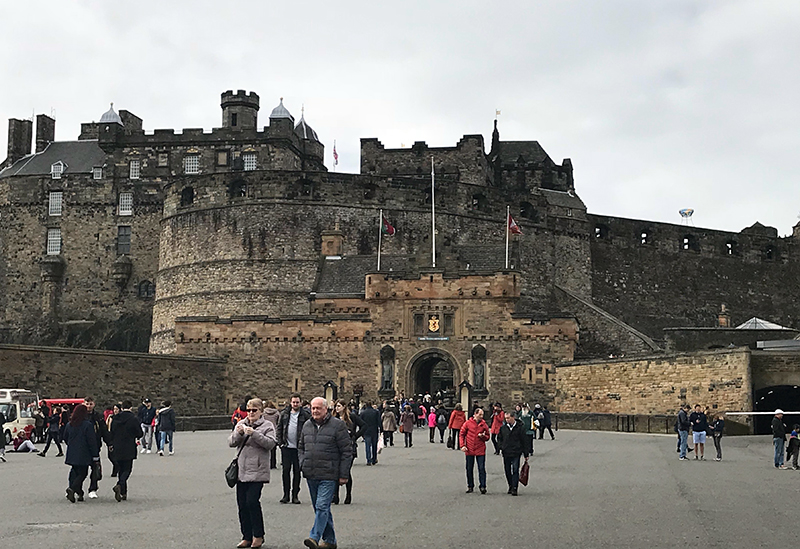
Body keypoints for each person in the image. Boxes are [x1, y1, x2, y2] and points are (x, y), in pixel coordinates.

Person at [298, 397, 352, 549]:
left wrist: (344, 474)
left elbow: (346, 451)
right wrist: (302, 462)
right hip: (311, 472)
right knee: (320, 508)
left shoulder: (338, 425)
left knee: (322, 506)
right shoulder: (307, 425)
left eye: (318, 408)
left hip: (329, 473)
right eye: (313, 408)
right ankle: (330, 540)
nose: (315, 411)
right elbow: (301, 446)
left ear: (326, 409)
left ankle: (314, 537)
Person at [229, 398, 277, 549]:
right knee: (242, 504)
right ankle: (246, 536)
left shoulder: (267, 425)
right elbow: (231, 442)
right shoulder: (241, 423)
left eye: (254, 410)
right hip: (242, 470)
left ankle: (258, 535)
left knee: (252, 502)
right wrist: (238, 433)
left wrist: (254, 433)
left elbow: (270, 443)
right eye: (249, 410)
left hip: (257, 470)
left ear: (260, 411)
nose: (251, 413)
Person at [277, 393, 311, 504]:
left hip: (299, 448)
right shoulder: (284, 414)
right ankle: (286, 494)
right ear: (290, 402)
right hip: (286, 447)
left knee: (297, 472)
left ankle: (295, 495)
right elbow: (279, 429)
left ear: (300, 403)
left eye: (297, 402)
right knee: (285, 471)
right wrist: (280, 443)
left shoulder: (305, 415)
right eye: (293, 402)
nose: (295, 404)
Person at [63, 404, 100, 503]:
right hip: (84, 452)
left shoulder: (69, 424)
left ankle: (78, 492)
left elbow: (65, 437)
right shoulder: (87, 425)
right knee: (83, 473)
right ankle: (73, 488)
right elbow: (91, 441)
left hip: (72, 451)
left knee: (74, 472)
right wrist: (95, 454)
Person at [109, 400, 143, 502]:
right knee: (127, 469)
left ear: (122, 408)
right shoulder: (133, 419)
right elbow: (139, 433)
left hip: (117, 446)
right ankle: (120, 485)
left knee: (120, 469)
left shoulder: (115, 418)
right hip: (128, 445)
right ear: (131, 407)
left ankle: (123, 492)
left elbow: (111, 432)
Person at [332, 399, 364, 504]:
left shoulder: (352, 417)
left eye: (339, 406)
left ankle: (348, 494)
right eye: (336, 406)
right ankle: (335, 495)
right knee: (335, 471)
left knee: (346, 471)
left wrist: (355, 436)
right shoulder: (333, 418)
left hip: (349, 447)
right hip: (336, 448)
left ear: (344, 407)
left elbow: (364, 426)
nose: (337, 408)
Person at [497, 410, 529, 496]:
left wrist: (526, 453)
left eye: (508, 418)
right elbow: (499, 438)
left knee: (515, 469)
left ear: (513, 417)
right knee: (507, 470)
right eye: (505, 418)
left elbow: (524, 441)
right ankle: (510, 485)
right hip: (506, 452)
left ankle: (515, 487)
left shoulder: (520, 428)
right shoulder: (503, 428)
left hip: (516, 452)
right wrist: (501, 447)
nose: (506, 420)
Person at [460, 406, 490, 494]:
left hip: (480, 449)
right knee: (469, 468)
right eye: (480, 415)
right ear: (475, 414)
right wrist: (462, 445)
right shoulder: (468, 423)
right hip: (469, 448)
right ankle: (470, 485)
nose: (481, 416)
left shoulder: (484, 424)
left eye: (482, 415)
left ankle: (483, 486)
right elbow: (462, 434)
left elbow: (488, 436)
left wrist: (483, 436)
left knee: (481, 468)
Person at [83, 397, 110, 499]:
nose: (89, 406)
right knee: (81, 470)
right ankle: (76, 488)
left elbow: (103, 430)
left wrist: (109, 443)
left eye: (90, 404)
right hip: (83, 446)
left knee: (95, 468)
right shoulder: (80, 416)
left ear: (94, 404)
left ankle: (93, 488)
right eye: (87, 404)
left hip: (95, 446)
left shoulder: (98, 416)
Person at [359, 401, 381, 466]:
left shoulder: (363, 413)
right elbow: (379, 421)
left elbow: (360, 423)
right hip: (374, 430)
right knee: (374, 446)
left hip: (366, 431)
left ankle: (368, 460)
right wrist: (381, 429)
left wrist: (361, 432)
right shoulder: (376, 412)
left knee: (367, 446)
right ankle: (374, 459)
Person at [262, 400, 280, 470]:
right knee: (273, 449)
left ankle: (266, 463)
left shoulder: (263, 413)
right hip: (274, 431)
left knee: (265, 448)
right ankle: (273, 464)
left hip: (265, 431)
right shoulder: (277, 413)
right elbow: (279, 422)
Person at [106, 403, 121, 477]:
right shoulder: (111, 417)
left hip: (117, 437)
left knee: (114, 454)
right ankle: (117, 465)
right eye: (114, 409)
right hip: (110, 436)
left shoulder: (120, 418)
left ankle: (116, 468)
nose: (115, 411)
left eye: (117, 409)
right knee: (110, 455)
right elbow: (107, 425)